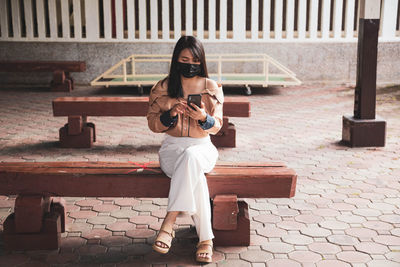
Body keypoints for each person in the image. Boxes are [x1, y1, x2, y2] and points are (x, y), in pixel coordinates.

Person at [146, 35, 223, 263]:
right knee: (195, 175)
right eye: (185, 59)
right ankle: (206, 240)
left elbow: (217, 126)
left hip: (203, 148)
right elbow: (152, 123)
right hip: (172, 150)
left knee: (192, 158)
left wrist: (203, 117)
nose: (190, 64)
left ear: (201, 61)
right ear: (176, 59)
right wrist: (170, 115)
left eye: (195, 60)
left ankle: (169, 222)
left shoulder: (211, 87)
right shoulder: (162, 87)